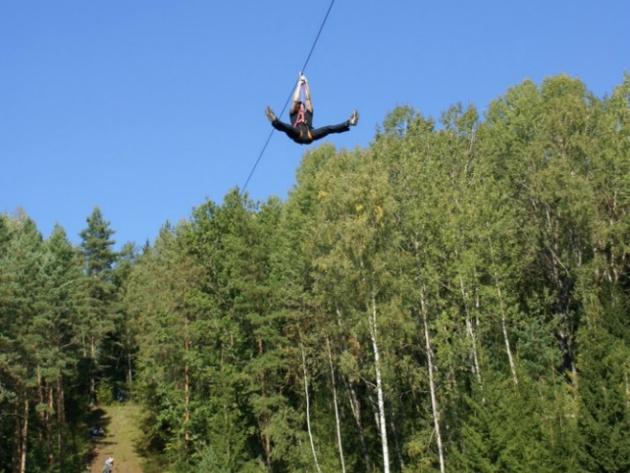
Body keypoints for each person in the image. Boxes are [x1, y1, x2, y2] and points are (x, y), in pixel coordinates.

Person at [265, 73, 358, 145]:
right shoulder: (293, 113)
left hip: (309, 134)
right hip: (298, 134)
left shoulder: (308, 113)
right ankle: (274, 120)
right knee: (288, 128)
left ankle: (350, 122)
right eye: (299, 105)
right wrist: (299, 84)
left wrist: (306, 83)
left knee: (327, 129)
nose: (301, 105)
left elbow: (308, 99)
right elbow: (295, 99)